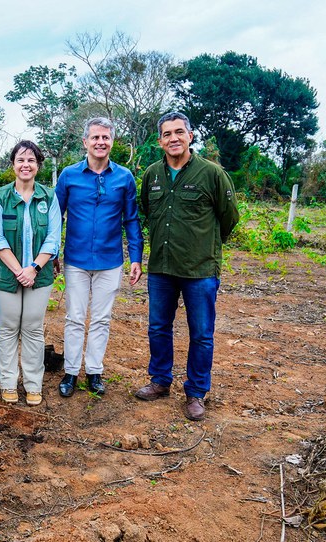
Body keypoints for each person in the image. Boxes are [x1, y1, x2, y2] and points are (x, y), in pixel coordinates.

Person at [135, 111, 239, 421]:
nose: (174, 138)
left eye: (179, 132)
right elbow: (145, 211)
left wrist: (202, 244)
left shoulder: (212, 174)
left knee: (202, 333)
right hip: (161, 269)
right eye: (167, 134)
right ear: (160, 141)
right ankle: (160, 381)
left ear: (190, 136)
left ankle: (196, 392)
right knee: (158, 327)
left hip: (200, 270)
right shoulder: (152, 175)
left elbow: (228, 218)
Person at [55, 117, 143, 398]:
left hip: (110, 260)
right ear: (85, 142)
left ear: (112, 142)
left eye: (105, 137)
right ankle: (70, 372)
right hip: (76, 260)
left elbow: (131, 219)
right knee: (75, 318)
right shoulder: (69, 175)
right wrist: (52, 252)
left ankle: (94, 372)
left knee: (102, 319)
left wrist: (136, 258)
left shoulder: (124, 177)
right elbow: (55, 218)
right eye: (95, 137)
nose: (100, 142)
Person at [0, 140, 61, 406]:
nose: (25, 165)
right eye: (20, 160)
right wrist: (20, 271)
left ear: (38, 165)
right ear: (13, 165)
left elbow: (53, 239)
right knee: (8, 327)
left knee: (32, 327)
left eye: (31, 160)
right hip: (7, 275)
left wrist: (34, 269)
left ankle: (33, 384)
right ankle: (7, 383)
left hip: (39, 276)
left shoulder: (49, 197)